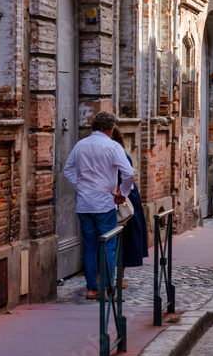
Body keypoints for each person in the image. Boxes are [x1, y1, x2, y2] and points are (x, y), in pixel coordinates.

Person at [62, 111, 134, 300]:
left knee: (90, 246)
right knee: (109, 245)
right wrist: (123, 194)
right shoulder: (112, 146)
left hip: (84, 204)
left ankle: (92, 289)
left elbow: (67, 169)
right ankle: (107, 288)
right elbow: (129, 173)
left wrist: (80, 186)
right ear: (111, 129)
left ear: (93, 127)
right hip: (104, 203)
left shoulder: (80, 145)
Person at [112, 127, 148, 281]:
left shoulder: (123, 156)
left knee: (125, 238)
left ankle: (120, 276)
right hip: (117, 198)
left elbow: (129, 177)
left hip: (125, 200)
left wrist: (123, 192)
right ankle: (112, 277)